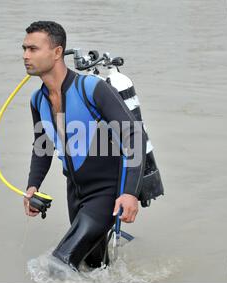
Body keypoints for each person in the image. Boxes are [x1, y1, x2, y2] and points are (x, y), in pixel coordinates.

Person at [22, 21, 146, 270]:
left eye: (33, 49)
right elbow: (42, 145)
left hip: (108, 192)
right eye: (24, 48)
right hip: (75, 193)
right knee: (94, 266)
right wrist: (32, 186)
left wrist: (130, 192)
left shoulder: (91, 88)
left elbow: (134, 135)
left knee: (59, 264)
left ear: (57, 52)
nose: (25, 55)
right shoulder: (38, 100)